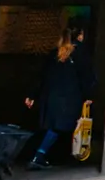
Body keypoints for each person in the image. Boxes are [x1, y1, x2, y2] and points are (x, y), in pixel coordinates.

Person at [24, 33, 91, 170]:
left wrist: (32, 95)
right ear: (79, 36)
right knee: (58, 128)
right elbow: (86, 76)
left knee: (54, 127)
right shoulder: (79, 53)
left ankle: (43, 155)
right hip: (69, 98)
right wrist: (88, 95)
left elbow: (41, 76)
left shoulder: (54, 54)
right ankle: (39, 155)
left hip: (50, 96)